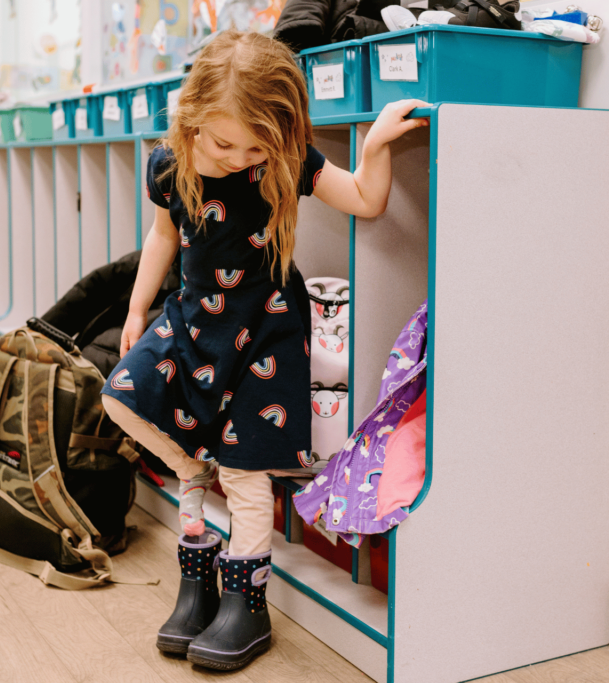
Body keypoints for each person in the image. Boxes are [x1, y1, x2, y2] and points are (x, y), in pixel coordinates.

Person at [100, 29, 426, 670]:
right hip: (193, 324)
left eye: (254, 146)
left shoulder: (280, 162)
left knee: (248, 474)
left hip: (268, 333)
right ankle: (196, 559)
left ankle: (245, 602)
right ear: (191, 119)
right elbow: (163, 236)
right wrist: (137, 308)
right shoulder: (170, 165)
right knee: (123, 398)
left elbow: (365, 199)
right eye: (224, 144)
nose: (238, 158)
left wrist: (378, 142)